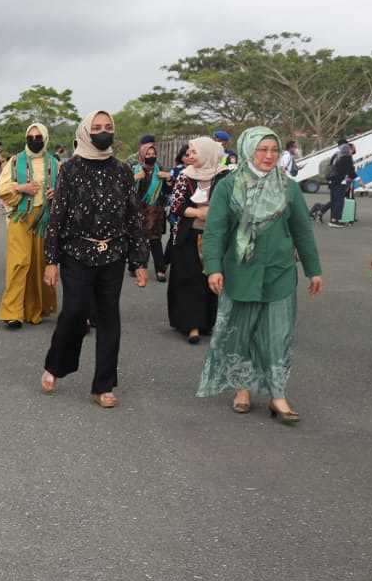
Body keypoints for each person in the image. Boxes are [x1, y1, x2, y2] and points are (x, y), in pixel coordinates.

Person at [197, 127, 323, 422]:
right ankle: (242, 388)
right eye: (262, 149)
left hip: (278, 273)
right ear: (248, 150)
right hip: (240, 272)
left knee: (277, 336)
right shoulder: (229, 186)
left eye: (274, 150)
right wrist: (213, 268)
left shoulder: (288, 187)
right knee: (242, 333)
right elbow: (215, 231)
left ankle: (277, 396)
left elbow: (302, 231)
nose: (269, 156)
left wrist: (313, 270)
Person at [39, 110, 149, 408]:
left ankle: (103, 385)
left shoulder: (123, 170)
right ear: (86, 132)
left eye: (108, 127)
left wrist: (139, 261)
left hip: (113, 254)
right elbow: (57, 217)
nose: (104, 132)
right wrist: (52, 260)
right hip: (77, 252)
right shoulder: (70, 169)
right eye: (97, 127)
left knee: (108, 316)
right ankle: (55, 365)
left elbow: (133, 216)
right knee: (74, 311)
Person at [0, 124, 59, 329]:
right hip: (20, 218)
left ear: (45, 138)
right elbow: (1, 189)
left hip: (45, 219)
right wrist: (23, 188)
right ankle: (12, 312)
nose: (34, 139)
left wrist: (56, 193)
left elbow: (67, 192)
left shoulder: (55, 163)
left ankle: (35, 309)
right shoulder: (15, 161)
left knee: (41, 263)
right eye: (30, 136)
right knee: (19, 262)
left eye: (38, 136)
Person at [167, 137, 227, 343]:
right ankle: (190, 324)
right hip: (188, 235)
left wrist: (214, 212)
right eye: (189, 152)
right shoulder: (185, 176)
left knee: (209, 277)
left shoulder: (224, 176)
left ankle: (207, 322)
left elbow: (232, 204)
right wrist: (198, 212)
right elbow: (176, 205)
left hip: (215, 234)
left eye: (194, 152)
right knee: (188, 278)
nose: (190, 156)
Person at [132, 136, 169, 283]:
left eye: (153, 154)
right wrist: (135, 178)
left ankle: (160, 270)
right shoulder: (135, 169)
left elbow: (168, 190)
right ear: (142, 154)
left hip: (155, 212)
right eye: (148, 154)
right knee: (139, 240)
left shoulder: (161, 170)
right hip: (139, 211)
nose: (151, 156)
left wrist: (168, 179)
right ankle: (137, 267)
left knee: (155, 241)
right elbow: (124, 189)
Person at [326, 137, 356, 227]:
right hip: (340, 182)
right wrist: (353, 178)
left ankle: (332, 219)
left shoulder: (336, 155)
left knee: (334, 200)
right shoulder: (347, 157)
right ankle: (335, 221)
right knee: (339, 201)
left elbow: (330, 167)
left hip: (332, 181)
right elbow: (350, 171)